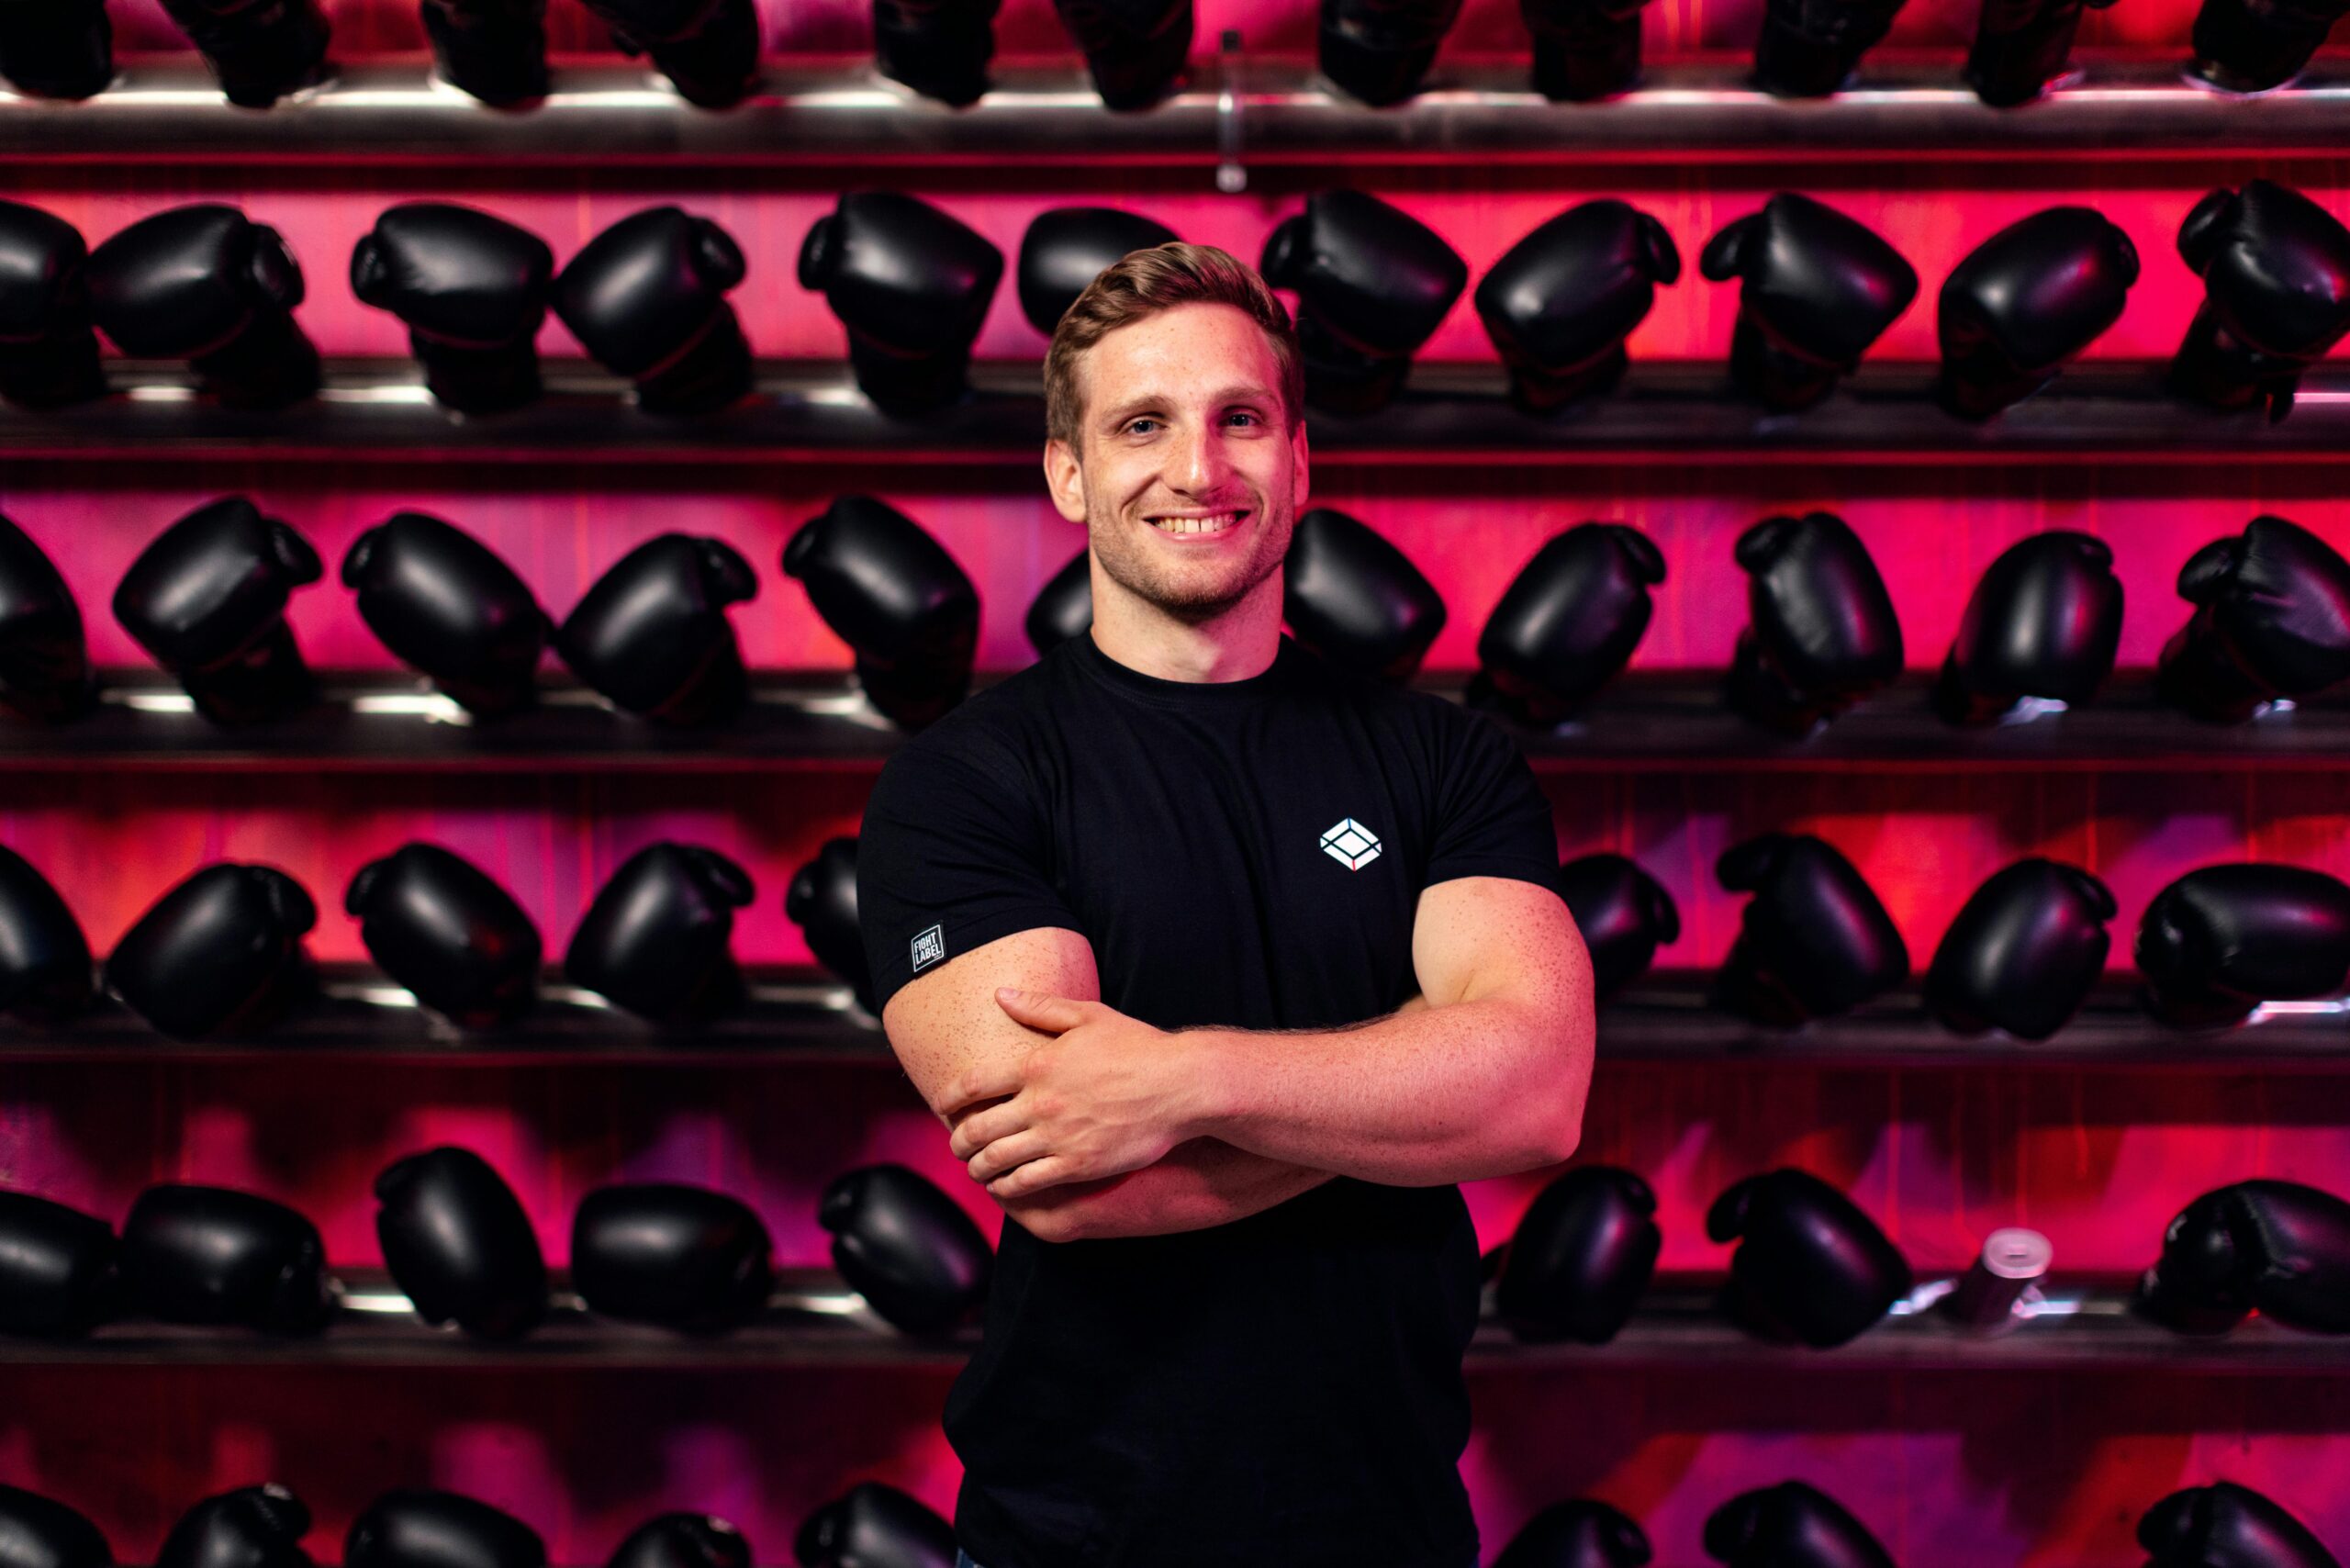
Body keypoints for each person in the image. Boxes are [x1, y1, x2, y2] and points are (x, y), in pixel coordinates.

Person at [855, 241, 1596, 1568]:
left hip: (1388, 1528)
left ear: (1299, 461)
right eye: (1142, 424)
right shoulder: (965, 781)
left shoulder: (1444, 760)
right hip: (1070, 1539)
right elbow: (1077, 1181)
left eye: (1239, 419)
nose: (1198, 470)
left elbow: (1536, 1095)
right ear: (1070, 472)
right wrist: (1418, 1079)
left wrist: (1183, 1077)